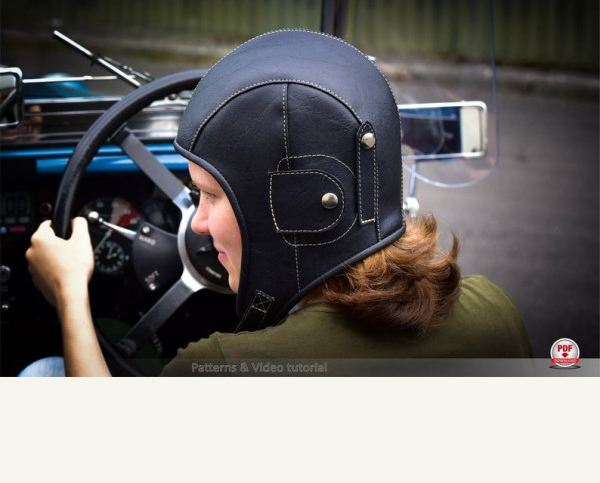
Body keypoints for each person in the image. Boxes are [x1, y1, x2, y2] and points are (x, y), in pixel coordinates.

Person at [25, 29, 532, 376]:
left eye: (212, 195)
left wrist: (69, 293)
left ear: (296, 210)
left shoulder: (224, 367)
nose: (197, 224)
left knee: (45, 372)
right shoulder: (495, 311)